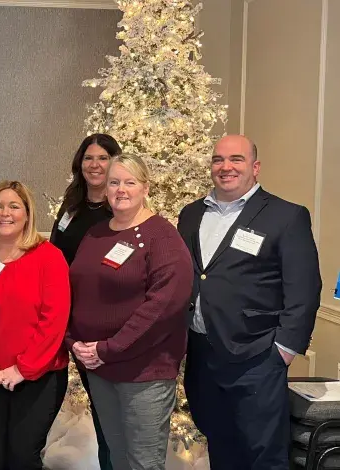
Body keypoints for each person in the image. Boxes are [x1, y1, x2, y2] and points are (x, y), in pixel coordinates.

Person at [177, 135, 321, 470]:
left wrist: (283, 350)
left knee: (262, 455)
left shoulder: (286, 215)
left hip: (257, 356)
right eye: (218, 159)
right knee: (220, 445)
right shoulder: (191, 214)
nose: (225, 167)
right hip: (202, 355)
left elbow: (305, 288)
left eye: (236, 159)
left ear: (255, 167)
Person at [66, 154, 192, 470]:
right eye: (114, 182)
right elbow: (76, 290)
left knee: (143, 463)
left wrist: (110, 348)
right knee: (117, 457)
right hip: (100, 368)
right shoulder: (96, 234)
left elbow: (163, 307)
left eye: (129, 182)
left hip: (143, 372)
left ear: (145, 188)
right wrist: (74, 341)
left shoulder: (162, 236)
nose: (121, 189)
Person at [0, 180, 70, 470]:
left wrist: (23, 369)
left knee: (22, 457)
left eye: (14, 206)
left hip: (37, 377)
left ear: (27, 214)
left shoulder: (49, 257)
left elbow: (54, 320)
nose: (5, 213)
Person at [49, 133, 121, 470]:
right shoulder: (71, 207)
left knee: (113, 410)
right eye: (89, 158)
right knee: (99, 404)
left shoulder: (120, 208)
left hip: (110, 321)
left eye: (103, 158)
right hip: (74, 320)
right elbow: (54, 256)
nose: (95, 165)